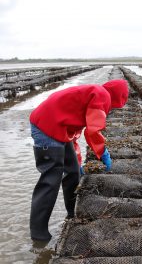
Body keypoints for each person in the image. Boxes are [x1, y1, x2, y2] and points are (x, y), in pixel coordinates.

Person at [29, 79, 129, 241]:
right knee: (50, 179)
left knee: (73, 171)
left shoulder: (96, 93)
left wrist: (77, 161)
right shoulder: (102, 95)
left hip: (59, 125)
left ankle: (72, 212)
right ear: (120, 96)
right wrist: (103, 152)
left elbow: (74, 133)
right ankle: (38, 234)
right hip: (46, 126)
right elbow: (93, 131)